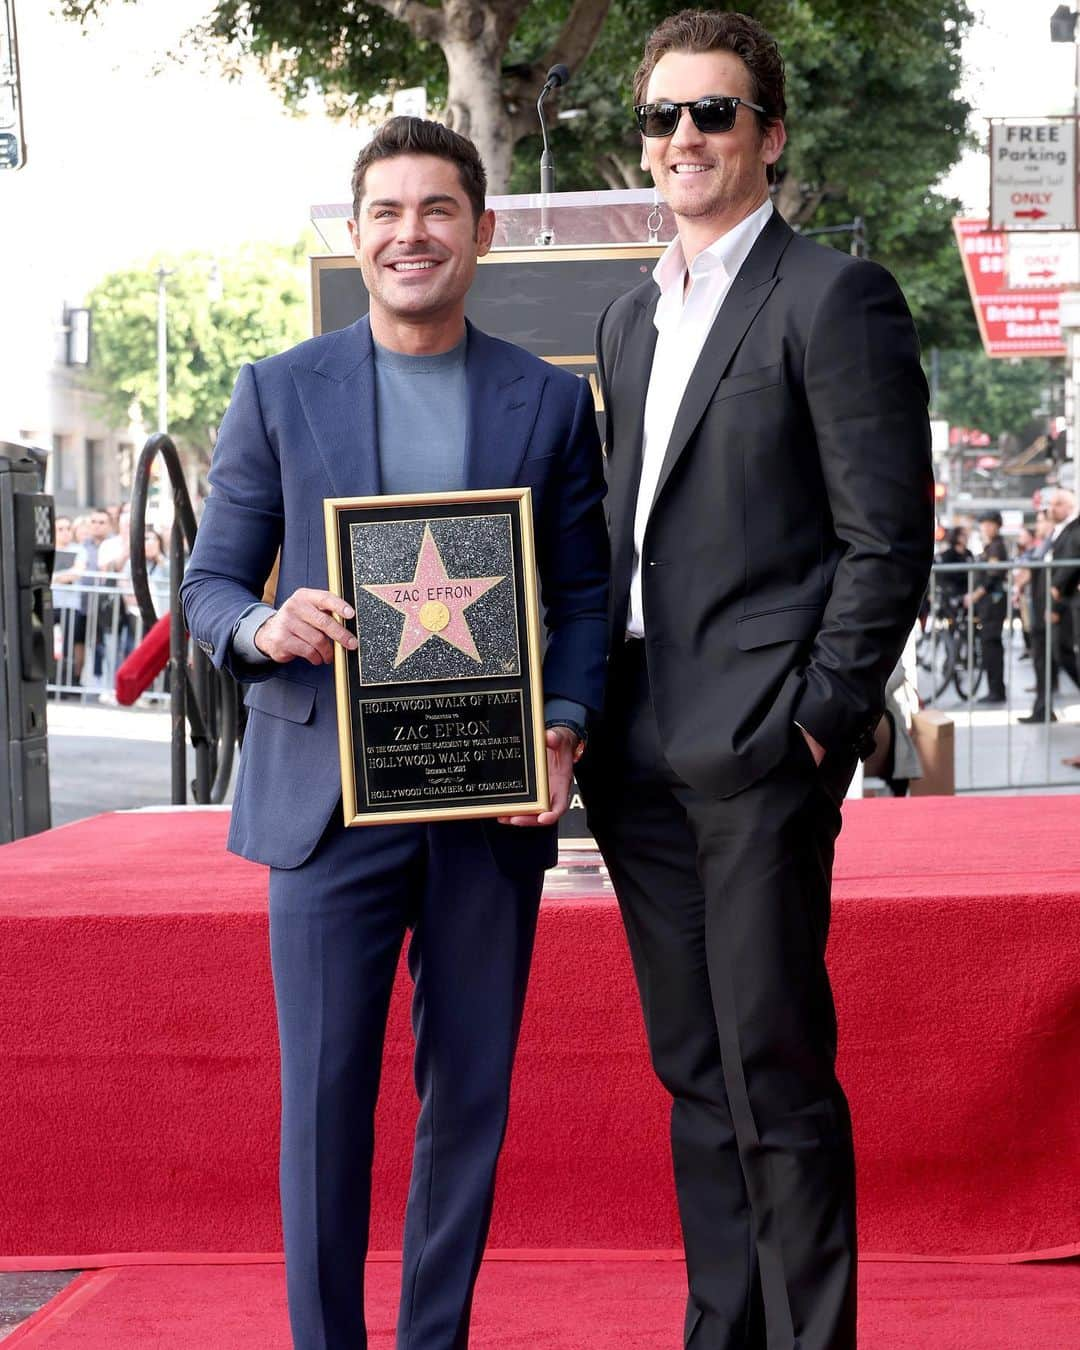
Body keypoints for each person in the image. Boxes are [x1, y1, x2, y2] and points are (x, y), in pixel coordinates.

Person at [180, 117, 608, 1350]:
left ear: (482, 232)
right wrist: (272, 625)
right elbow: (210, 585)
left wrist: (567, 723)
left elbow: (581, 596)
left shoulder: (547, 400)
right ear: (356, 232)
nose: (410, 233)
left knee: (468, 1100)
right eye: (386, 211)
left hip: (488, 797)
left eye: (437, 211)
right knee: (324, 1102)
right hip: (325, 805)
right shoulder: (276, 389)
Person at [577, 12, 932, 1349]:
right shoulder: (628, 318)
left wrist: (818, 726)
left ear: (769, 137)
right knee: (693, 1072)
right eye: (662, 117)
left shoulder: (833, 298)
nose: (683, 139)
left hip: (762, 752)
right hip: (638, 749)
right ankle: (719, 1328)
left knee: (773, 1070)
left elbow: (887, 540)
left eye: (712, 114)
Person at [1021, 487, 1080, 724]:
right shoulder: (1057, 533)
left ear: (1069, 506)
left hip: (1061, 605)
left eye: (1057, 504)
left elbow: (1067, 568)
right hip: (1047, 604)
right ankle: (1042, 708)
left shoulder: (1073, 531)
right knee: (1047, 655)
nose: (1051, 509)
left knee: (1062, 653)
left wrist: (1054, 604)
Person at [964, 510, 1008, 703]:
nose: (986, 527)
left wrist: (975, 595)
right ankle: (994, 689)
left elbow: (993, 576)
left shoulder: (997, 547)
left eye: (990, 524)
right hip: (988, 604)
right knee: (989, 646)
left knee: (991, 646)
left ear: (997, 526)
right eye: (984, 524)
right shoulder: (989, 547)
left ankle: (996, 691)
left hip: (993, 603)